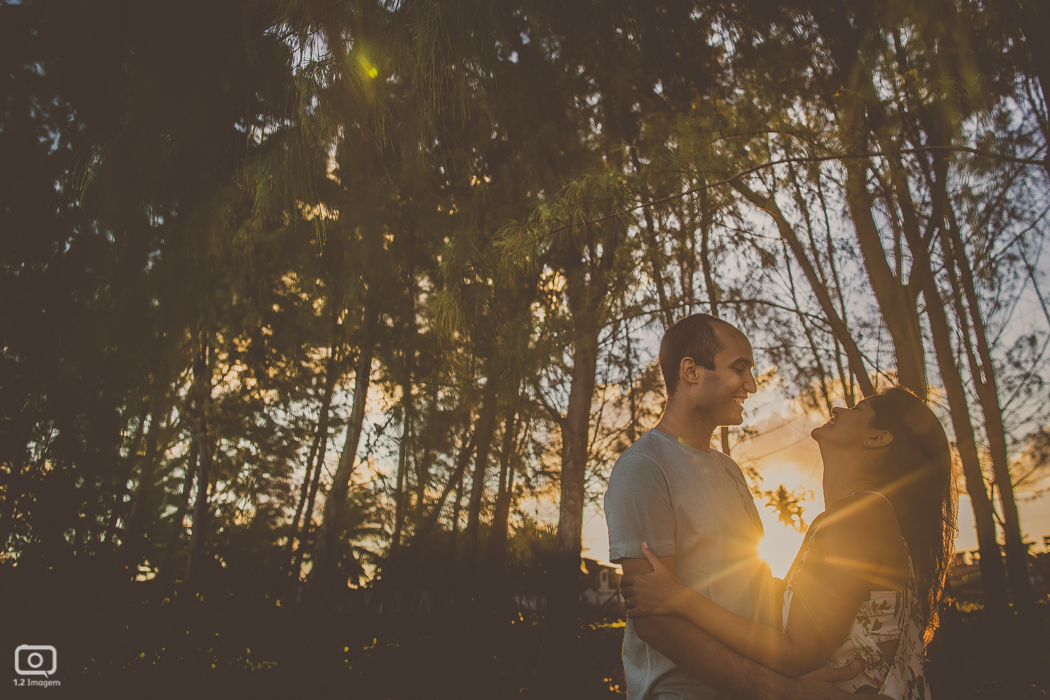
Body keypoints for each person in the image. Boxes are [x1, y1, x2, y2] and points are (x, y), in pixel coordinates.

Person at [604, 314, 879, 700]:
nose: (750, 385)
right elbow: (656, 623)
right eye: (739, 369)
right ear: (691, 371)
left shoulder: (729, 470)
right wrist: (785, 691)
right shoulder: (643, 467)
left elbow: (754, 586)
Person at [621, 386, 956, 700]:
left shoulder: (860, 515)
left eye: (858, 407)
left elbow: (796, 654)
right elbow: (810, 619)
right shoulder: (854, 516)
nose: (839, 407)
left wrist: (680, 598)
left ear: (878, 438)